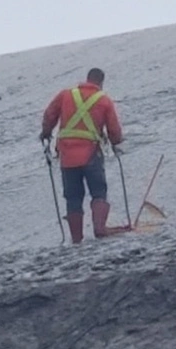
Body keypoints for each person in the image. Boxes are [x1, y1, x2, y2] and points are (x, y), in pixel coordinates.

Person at [41, 68, 129, 243]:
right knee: (98, 191)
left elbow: (49, 115)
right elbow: (114, 131)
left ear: (86, 79)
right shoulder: (104, 100)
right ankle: (99, 229)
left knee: (73, 196)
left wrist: (45, 133)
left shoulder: (65, 95)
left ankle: (76, 239)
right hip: (90, 155)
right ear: (101, 82)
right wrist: (116, 142)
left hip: (67, 156)